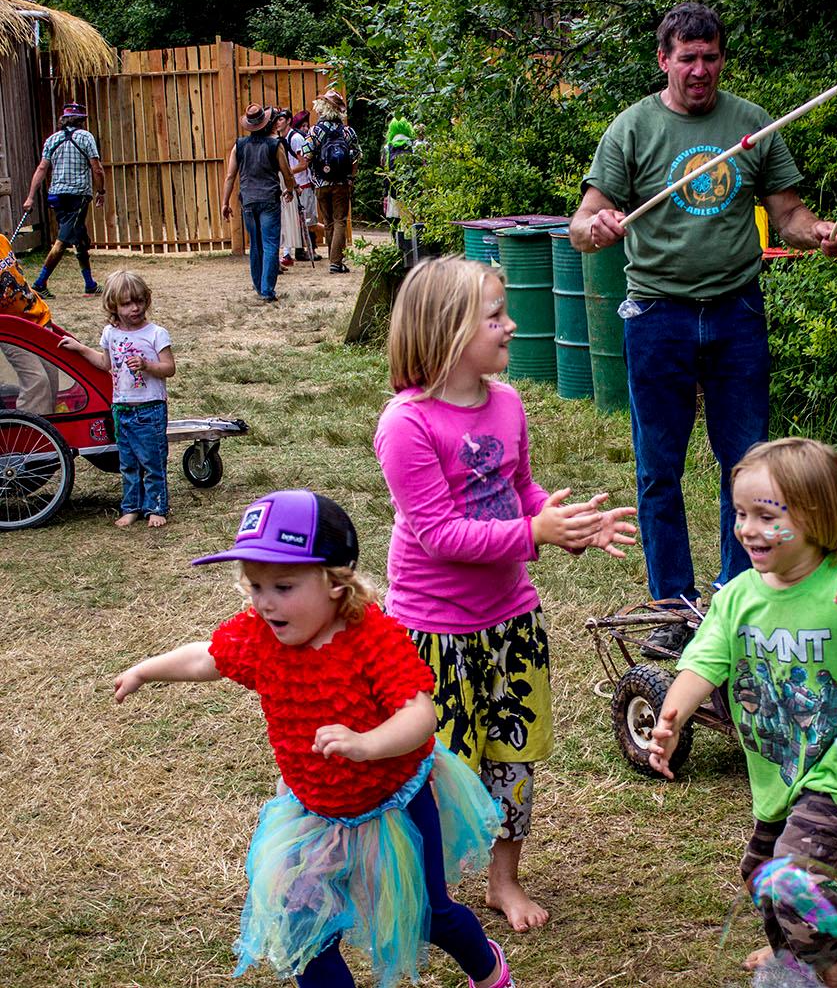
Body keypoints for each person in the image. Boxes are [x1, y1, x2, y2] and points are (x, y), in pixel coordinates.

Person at [111, 490, 519, 988]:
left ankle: (490, 969)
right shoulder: (260, 634)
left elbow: (420, 715)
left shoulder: (371, 637)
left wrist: (366, 742)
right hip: (312, 811)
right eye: (255, 585)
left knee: (429, 913)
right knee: (305, 928)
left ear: (334, 582)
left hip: (393, 804)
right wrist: (145, 671)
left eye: (282, 586)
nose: (263, 602)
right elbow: (207, 658)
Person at [570, 2, 837, 648]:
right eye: (687, 58)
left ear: (722, 58)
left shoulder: (752, 124)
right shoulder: (631, 129)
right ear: (663, 59)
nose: (700, 70)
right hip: (656, 316)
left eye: (711, 57)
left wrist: (820, 234)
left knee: (747, 465)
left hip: (735, 313)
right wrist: (599, 227)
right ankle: (671, 608)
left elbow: (790, 217)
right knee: (657, 468)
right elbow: (583, 224)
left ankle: (735, 598)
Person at [374, 256, 637, 931]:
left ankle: (503, 880)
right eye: (495, 315)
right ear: (448, 331)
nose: (511, 324)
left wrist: (564, 523)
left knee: (512, 755)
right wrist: (535, 531)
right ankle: (424, 888)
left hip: (509, 621)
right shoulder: (406, 424)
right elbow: (440, 535)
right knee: (432, 767)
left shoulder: (508, 403)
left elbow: (517, 493)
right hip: (431, 629)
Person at [646, 438, 837, 987]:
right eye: (741, 513)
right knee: (759, 875)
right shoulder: (738, 596)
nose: (747, 529)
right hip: (780, 773)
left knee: (791, 880)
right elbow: (702, 666)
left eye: (767, 516)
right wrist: (671, 719)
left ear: (816, 518)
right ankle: (793, 952)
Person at [57, 270, 174, 528]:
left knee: (153, 461)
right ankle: (131, 507)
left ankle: (156, 507)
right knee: (128, 463)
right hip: (121, 408)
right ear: (113, 306)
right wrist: (79, 348)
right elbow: (105, 363)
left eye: (140, 301)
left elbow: (169, 368)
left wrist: (147, 365)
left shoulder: (156, 333)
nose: (135, 308)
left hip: (150, 408)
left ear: (147, 300)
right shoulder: (111, 334)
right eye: (127, 303)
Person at [22, 101, 105, 298]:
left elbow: (42, 169)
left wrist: (30, 197)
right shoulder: (86, 137)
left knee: (80, 239)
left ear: (64, 120)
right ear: (81, 121)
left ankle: (90, 284)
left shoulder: (52, 139)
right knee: (62, 242)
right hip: (77, 196)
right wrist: (101, 191)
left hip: (56, 196)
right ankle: (39, 284)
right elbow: (97, 168)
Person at [221, 104, 296, 303]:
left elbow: (230, 176)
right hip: (269, 198)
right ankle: (267, 290)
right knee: (270, 244)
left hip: (248, 200)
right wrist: (291, 189)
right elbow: (286, 172)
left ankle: (258, 285)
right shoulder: (275, 145)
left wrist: (225, 202)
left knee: (255, 243)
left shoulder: (240, 146)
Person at [299, 90, 361, 274]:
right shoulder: (347, 131)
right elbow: (356, 156)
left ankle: (334, 260)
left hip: (320, 183)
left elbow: (306, 155)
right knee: (340, 220)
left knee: (328, 222)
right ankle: (336, 261)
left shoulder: (315, 131)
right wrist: (351, 178)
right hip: (341, 182)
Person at [0, 230, 59, 413]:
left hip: (37, 317)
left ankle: (48, 432)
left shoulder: (2, 241)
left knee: (52, 375)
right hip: (10, 330)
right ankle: (26, 433)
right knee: (37, 381)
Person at [287, 110, 321, 262]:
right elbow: (303, 163)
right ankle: (308, 250)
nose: (306, 129)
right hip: (301, 183)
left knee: (305, 219)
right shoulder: (297, 139)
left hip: (300, 182)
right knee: (306, 219)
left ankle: (307, 249)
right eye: (303, 125)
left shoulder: (292, 137)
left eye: (307, 125)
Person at [273, 109, 304, 271]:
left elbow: (303, 163)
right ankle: (286, 253)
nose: (278, 122)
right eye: (276, 119)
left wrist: (290, 178)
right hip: (285, 182)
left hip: (293, 182)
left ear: (289, 120)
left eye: (281, 119)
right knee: (285, 219)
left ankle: (288, 253)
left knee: (292, 219)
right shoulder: (279, 140)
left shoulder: (295, 138)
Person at [382, 117, 415, 241]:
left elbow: (385, 170)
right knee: (411, 220)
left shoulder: (387, 149)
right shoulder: (414, 146)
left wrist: (385, 192)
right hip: (412, 190)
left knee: (395, 221)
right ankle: (412, 244)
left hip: (393, 190)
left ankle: (398, 245)